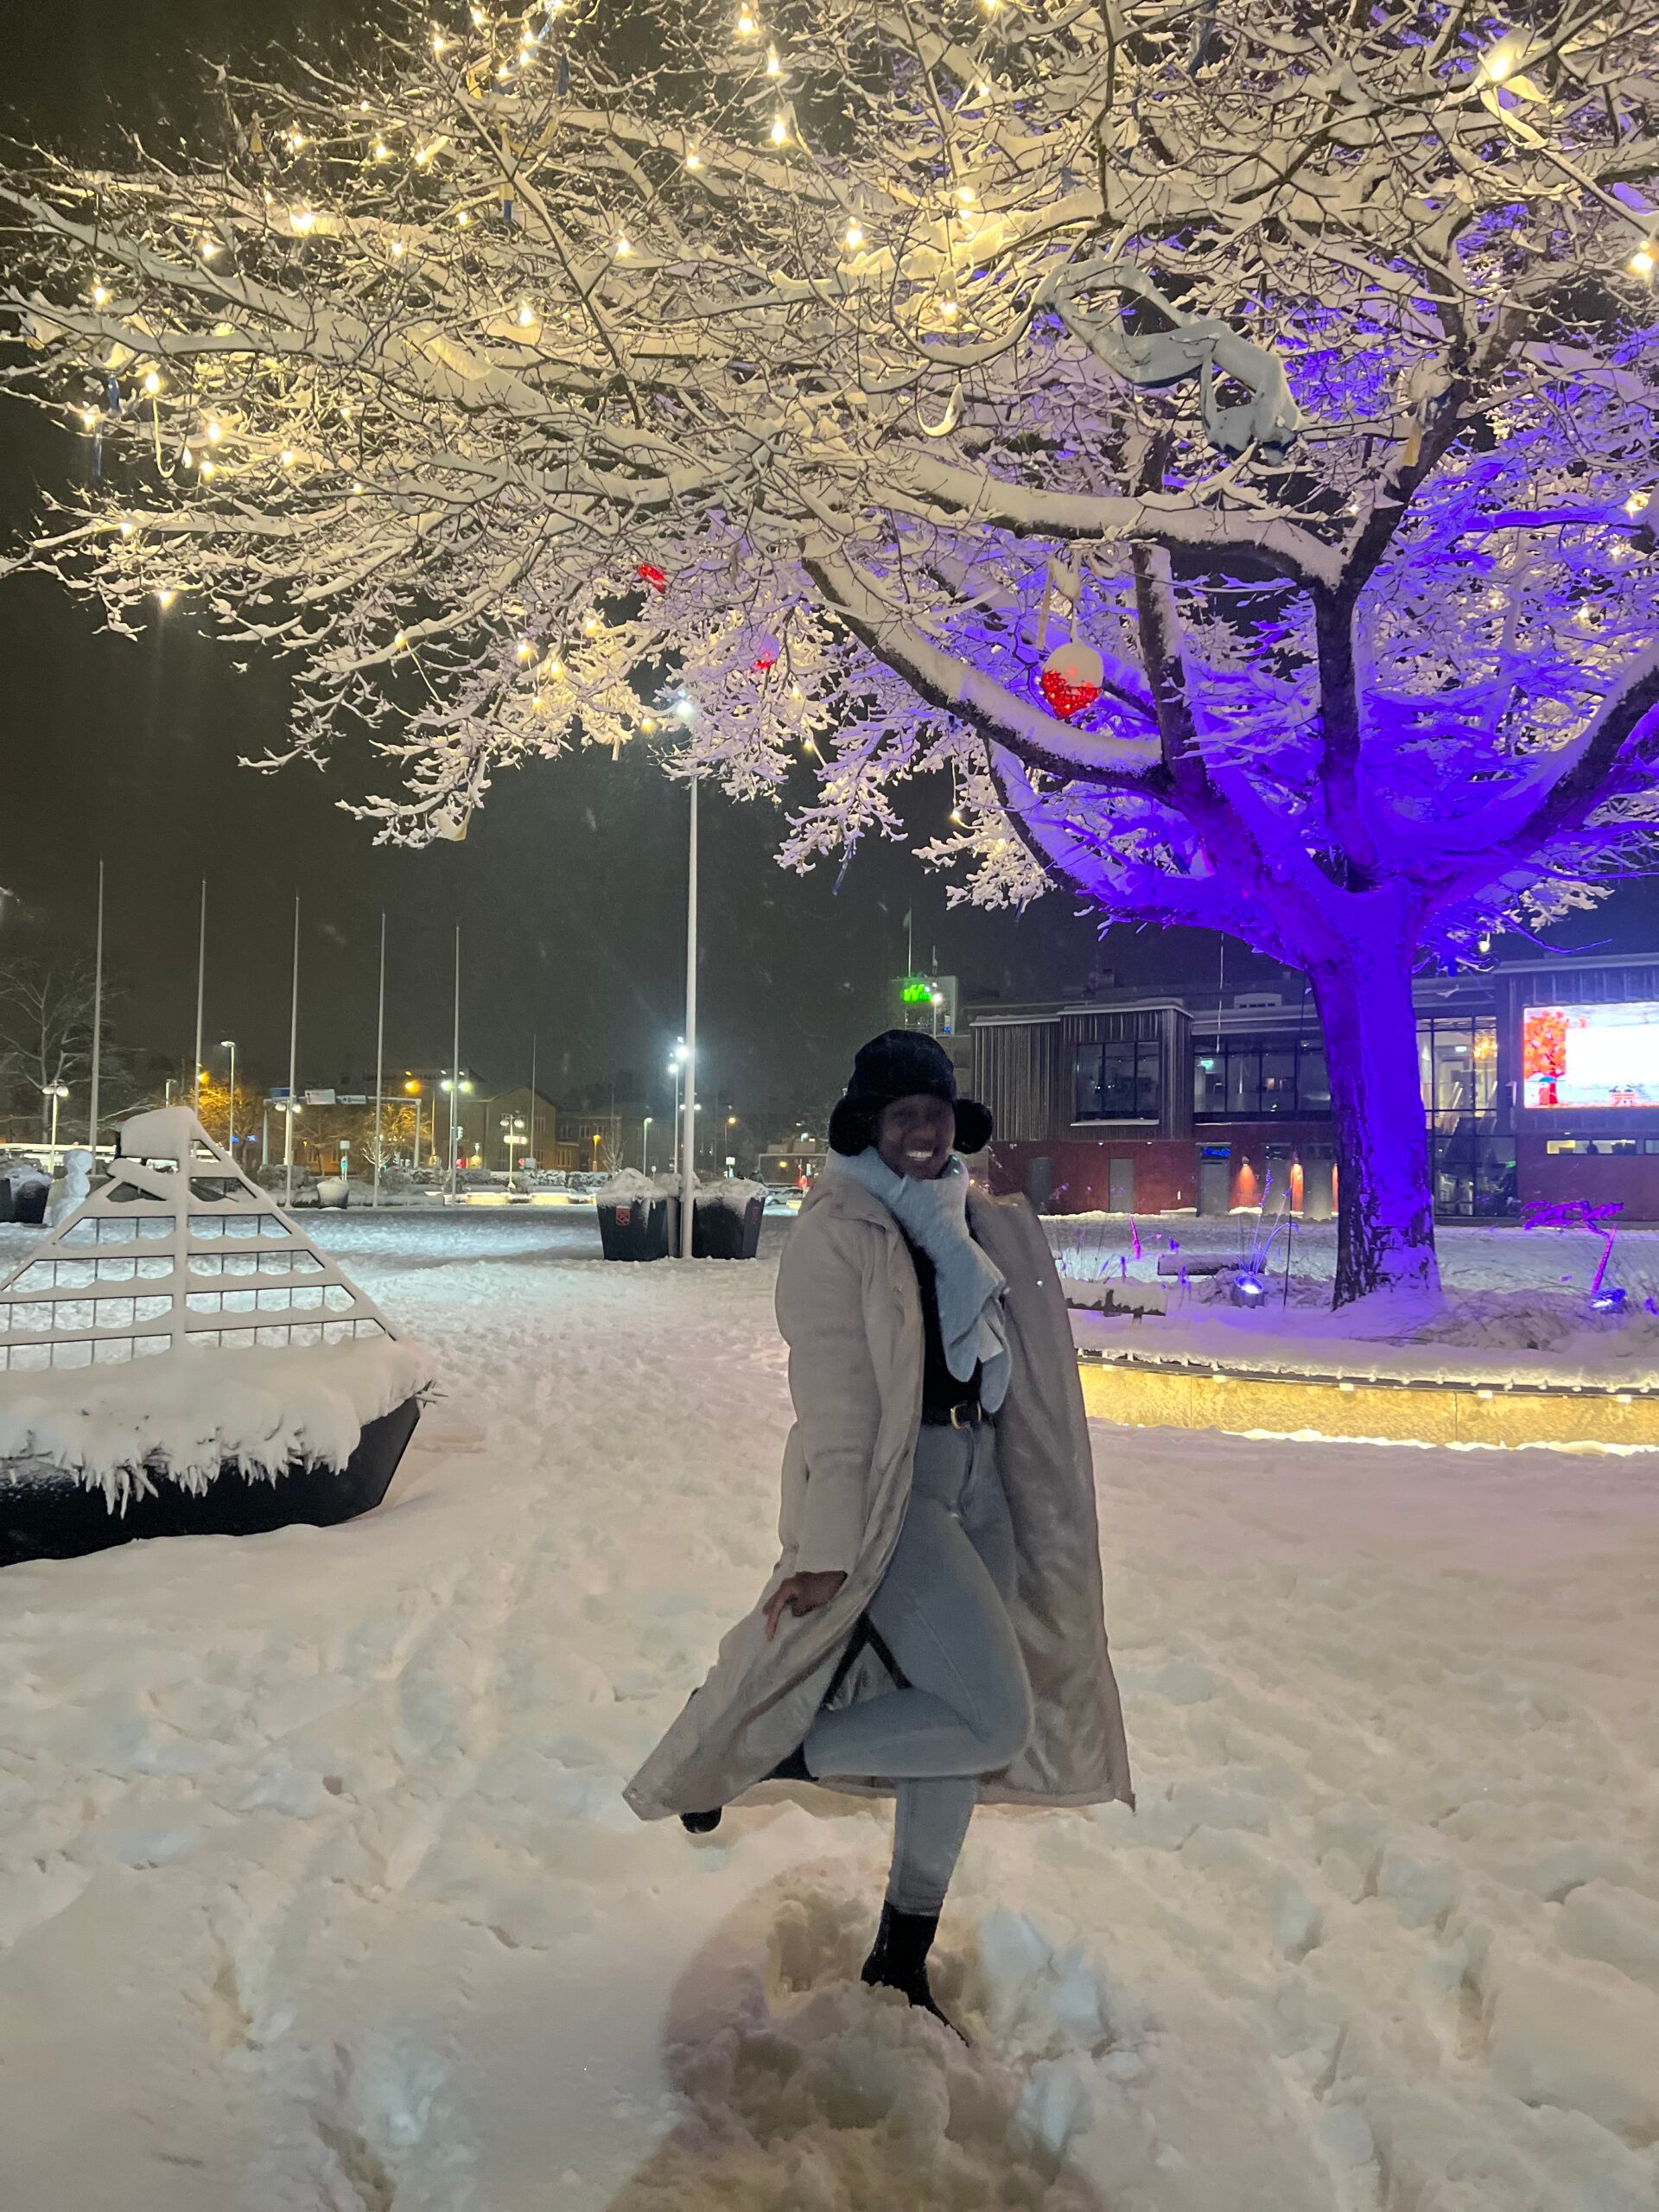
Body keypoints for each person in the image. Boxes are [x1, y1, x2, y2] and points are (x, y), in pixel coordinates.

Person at [625, 1031, 1133, 2036]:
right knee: (994, 1717)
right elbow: (837, 1409)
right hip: (896, 1500)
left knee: (962, 1733)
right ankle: (769, 1744)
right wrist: (826, 1553)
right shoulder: (837, 1232)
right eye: (901, 1112)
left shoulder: (966, 1222)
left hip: (978, 1480)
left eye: (936, 1111)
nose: (923, 1129)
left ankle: (902, 1955)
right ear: (868, 1123)